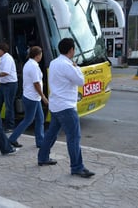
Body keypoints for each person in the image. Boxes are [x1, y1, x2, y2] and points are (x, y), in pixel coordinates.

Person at [38, 38, 95, 178]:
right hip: (66, 107)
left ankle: (42, 157)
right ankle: (77, 167)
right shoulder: (67, 65)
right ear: (71, 50)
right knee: (74, 137)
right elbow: (80, 81)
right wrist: (76, 67)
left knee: (51, 133)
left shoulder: (54, 63)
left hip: (56, 105)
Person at [8, 46, 48, 148]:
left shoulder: (28, 64)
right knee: (28, 120)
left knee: (40, 118)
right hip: (32, 98)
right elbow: (36, 84)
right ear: (38, 55)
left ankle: (40, 141)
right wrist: (43, 96)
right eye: (41, 54)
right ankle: (12, 138)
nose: (41, 56)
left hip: (31, 96)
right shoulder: (33, 66)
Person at [0, 43, 18, 133]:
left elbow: (5, 72)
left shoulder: (7, 58)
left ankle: (10, 126)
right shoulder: (2, 58)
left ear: (2, 50)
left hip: (10, 84)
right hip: (3, 83)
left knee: (9, 105)